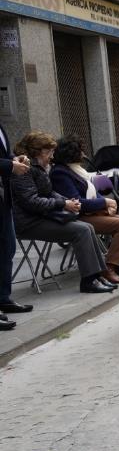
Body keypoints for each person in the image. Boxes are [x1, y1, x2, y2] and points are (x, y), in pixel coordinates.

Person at [10, 132, 115, 294]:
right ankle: (88, 281)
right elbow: (32, 202)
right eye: (50, 153)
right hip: (28, 222)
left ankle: (98, 275)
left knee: (87, 227)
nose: (52, 157)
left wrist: (67, 202)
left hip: (42, 216)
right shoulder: (25, 169)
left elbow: (49, 192)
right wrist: (62, 203)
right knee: (81, 231)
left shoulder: (38, 167)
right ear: (41, 152)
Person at [49, 135, 119, 283]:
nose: (84, 154)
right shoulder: (60, 173)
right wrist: (104, 203)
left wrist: (108, 204)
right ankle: (110, 266)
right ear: (71, 153)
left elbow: (91, 190)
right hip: (77, 217)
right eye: (80, 150)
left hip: (91, 212)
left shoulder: (75, 170)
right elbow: (77, 202)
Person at [0, 121, 33, 329]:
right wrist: (10, 166)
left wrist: (14, 159)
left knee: (7, 248)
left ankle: (3, 298)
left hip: (3, 198)